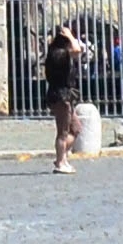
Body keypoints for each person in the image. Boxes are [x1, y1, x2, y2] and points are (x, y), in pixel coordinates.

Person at [41, 22, 92, 173]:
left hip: (65, 95)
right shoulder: (58, 53)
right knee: (63, 132)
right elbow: (77, 49)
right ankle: (60, 162)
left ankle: (61, 157)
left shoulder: (60, 51)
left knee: (76, 128)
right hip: (60, 96)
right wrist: (70, 35)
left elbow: (79, 50)